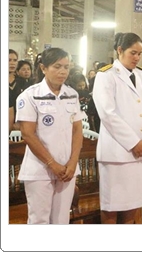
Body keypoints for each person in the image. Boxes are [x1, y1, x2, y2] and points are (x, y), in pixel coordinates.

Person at [92, 32, 142, 224]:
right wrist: (133, 143)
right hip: (117, 151)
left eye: (140, 53)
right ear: (120, 51)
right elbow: (107, 114)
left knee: (134, 203)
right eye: (133, 53)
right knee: (112, 204)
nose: (137, 58)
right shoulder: (106, 75)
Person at [15, 47, 85, 223]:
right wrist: (52, 164)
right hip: (40, 169)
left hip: (67, 168)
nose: (63, 71)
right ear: (43, 68)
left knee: (61, 221)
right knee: (40, 221)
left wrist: (72, 162)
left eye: (66, 67)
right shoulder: (29, 96)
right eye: (57, 66)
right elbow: (28, 134)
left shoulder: (72, 94)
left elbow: (77, 130)